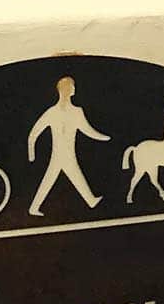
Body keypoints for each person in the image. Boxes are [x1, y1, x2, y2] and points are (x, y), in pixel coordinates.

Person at [27, 77, 110, 217]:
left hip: (68, 154)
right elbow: (34, 133)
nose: (74, 89)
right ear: (65, 90)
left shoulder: (77, 111)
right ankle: (90, 200)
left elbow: (87, 130)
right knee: (55, 178)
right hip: (59, 155)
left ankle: (90, 200)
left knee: (69, 176)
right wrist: (31, 153)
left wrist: (102, 137)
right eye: (72, 87)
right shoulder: (52, 112)